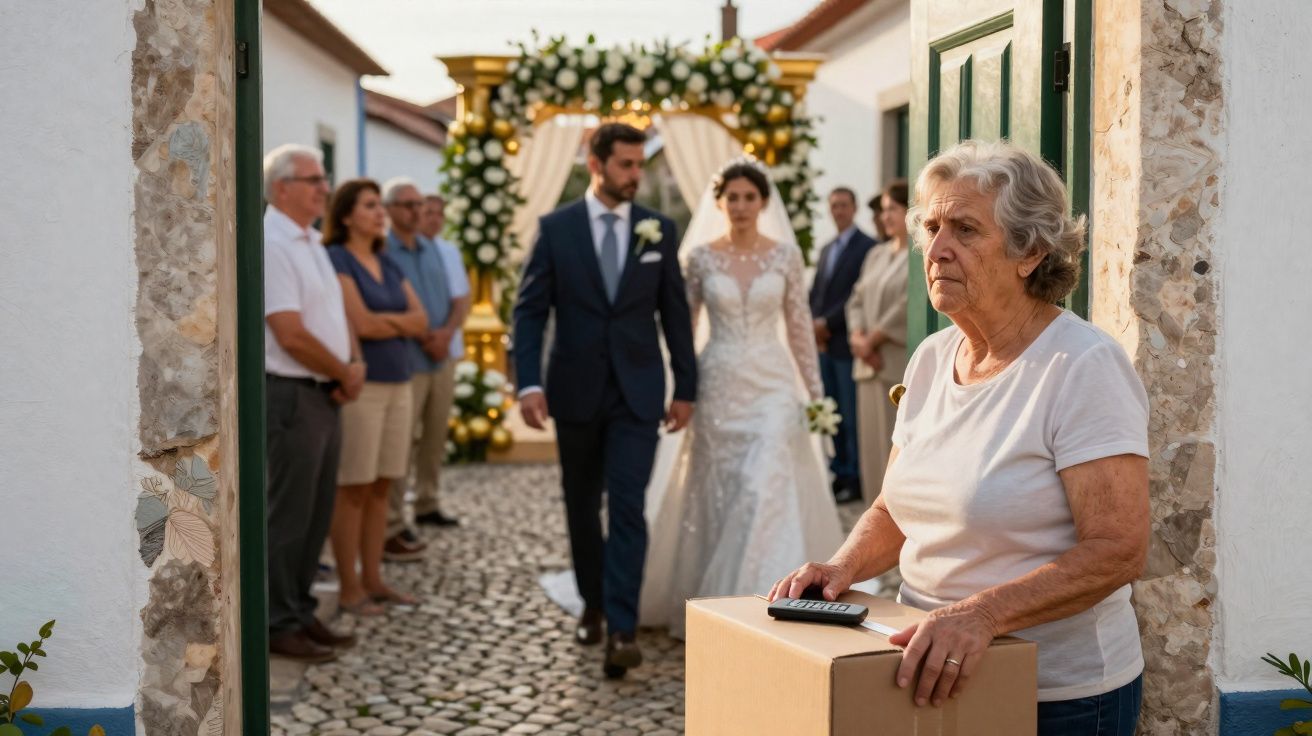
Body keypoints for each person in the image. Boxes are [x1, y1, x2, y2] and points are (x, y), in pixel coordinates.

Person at [770, 140, 1149, 736]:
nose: (937, 250)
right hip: (927, 671)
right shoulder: (930, 358)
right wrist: (841, 569)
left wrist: (983, 614)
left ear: (1030, 252)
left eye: (965, 230)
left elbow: (1119, 548)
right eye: (932, 226)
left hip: (1055, 697)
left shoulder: (1082, 366)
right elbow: (895, 506)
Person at [513, 123, 697, 679]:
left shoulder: (657, 230)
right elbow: (529, 311)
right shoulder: (556, 229)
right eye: (625, 165)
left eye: (640, 164)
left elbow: (674, 312)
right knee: (580, 503)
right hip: (573, 389)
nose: (636, 175)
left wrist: (686, 386)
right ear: (596, 164)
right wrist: (528, 382)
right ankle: (591, 602)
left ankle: (621, 625)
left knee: (627, 507)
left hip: (638, 393)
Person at [640, 158, 845, 639]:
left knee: (762, 484)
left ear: (763, 202)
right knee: (723, 491)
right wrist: (678, 388)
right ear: (719, 202)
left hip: (773, 387)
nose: (740, 206)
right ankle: (717, 604)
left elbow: (798, 328)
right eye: (731, 197)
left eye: (749, 197)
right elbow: (683, 329)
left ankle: (762, 604)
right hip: (718, 385)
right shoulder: (701, 259)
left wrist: (815, 396)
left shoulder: (785, 257)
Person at [261, 144, 363, 663]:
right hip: (293, 396)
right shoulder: (272, 240)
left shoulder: (310, 240)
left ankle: (300, 612)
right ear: (282, 187)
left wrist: (352, 363)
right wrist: (342, 369)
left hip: (323, 394)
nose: (325, 187)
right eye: (313, 179)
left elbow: (333, 314)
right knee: (289, 515)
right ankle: (277, 623)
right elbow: (290, 333)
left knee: (316, 512)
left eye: (324, 179)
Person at [324, 179, 429, 616]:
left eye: (378, 206)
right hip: (363, 388)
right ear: (347, 215)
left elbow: (421, 320)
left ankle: (373, 578)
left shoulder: (387, 262)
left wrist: (389, 323)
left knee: (383, 485)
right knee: (353, 486)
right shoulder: (338, 259)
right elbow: (360, 325)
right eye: (370, 205)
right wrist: (396, 323)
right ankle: (349, 587)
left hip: (400, 381)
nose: (379, 212)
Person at [382, 180, 466, 567]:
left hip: (440, 356)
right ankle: (394, 521)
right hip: (407, 359)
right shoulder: (385, 250)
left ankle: (428, 502)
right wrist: (424, 335)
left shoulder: (433, 248)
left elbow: (457, 299)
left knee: (434, 436)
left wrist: (445, 333)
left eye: (420, 204)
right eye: (409, 205)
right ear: (390, 209)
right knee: (402, 443)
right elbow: (388, 304)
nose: (417, 211)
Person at [809, 187, 877, 503]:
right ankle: (840, 470)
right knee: (830, 412)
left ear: (854, 208)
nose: (838, 210)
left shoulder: (867, 247)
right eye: (833, 205)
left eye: (844, 205)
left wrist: (827, 323)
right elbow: (817, 294)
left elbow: (854, 297)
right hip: (823, 345)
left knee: (850, 415)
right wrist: (813, 324)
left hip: (845, 343)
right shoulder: (825, 250)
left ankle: (855, 475)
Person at [846, 180, 910, 505]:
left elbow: (908, 303)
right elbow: (855, 300)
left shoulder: (919, 253)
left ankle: (897, 527)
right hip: (866, 365)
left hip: (893, 364)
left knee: (893, 453)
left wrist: (875, 338)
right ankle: (873, 517)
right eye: (883, 211)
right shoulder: (875, 254)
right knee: (870, 450)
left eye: (892, 210)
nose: (885, 217)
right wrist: (858, 337)